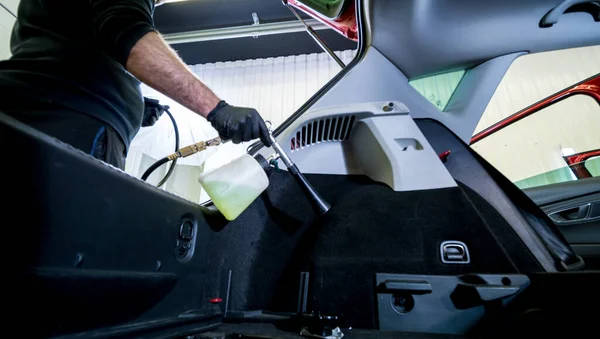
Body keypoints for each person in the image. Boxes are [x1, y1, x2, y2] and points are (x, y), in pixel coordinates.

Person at [0, 0, 271, 170]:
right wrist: (218, 109)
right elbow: (124, 31)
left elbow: (69, 43)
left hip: (47, 115)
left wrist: (132, 108)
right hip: (64, 121)